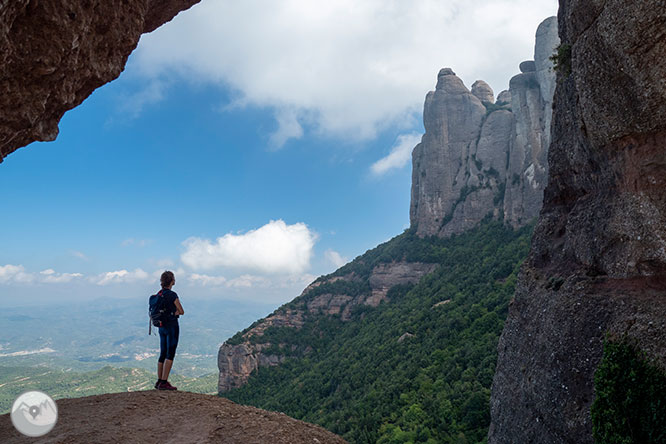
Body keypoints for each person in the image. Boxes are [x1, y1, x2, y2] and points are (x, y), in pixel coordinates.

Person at [155, 270, 184, 390]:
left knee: (162, 353)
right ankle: (164, 381)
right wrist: (175, 312)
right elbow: (181, 311)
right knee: (170, 354)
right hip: (172, 327)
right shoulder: (172, 295)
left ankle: (159, 381)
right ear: (172, 281)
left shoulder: (159, 294)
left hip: (161, 327)